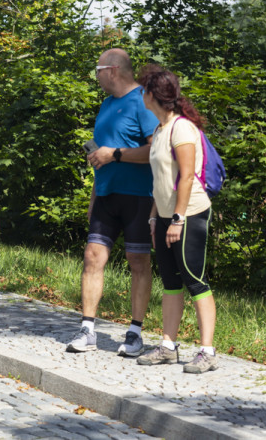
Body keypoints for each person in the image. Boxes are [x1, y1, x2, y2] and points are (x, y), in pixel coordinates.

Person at [66, 48, 158, 356]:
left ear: (113, 71)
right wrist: (94, 195)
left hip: (139, 197)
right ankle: (87, 329)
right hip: (106, 196)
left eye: (98, 70)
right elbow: (99, 158)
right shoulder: (106, 105)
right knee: (92, 257)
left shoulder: (144, 101)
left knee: (138, 262)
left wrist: (115, 154)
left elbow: (154, 151)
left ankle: (135, 333)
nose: (96, 76)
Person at [136, 65, 218, 373]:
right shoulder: (159, 129)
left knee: (195, 280)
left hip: (190, 214)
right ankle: (168, 347)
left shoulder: (181, 128)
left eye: (144, 89)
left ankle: (208, 351)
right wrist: (156, 217)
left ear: (153, 95)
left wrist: (179, 219)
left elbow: (185, 178)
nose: (141, 94)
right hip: (166, 216)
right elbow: (162, 180)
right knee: (170, 282)